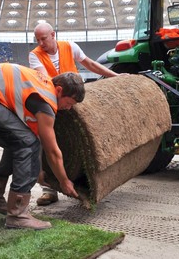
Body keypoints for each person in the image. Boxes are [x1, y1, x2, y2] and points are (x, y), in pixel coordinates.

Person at [0, 63, 84, 230]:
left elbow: (36, 137)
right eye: (69, 102)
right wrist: (64, 181)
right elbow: (52, 151)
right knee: (26, 143)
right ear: (58, 90)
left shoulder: (41, 86)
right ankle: (18, 215)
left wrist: (39, 170)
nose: (69, 108)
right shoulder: (46, 101)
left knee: (19, 140)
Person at [29, 22, 119, 207]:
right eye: (37, 40)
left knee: (83, 140)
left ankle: (87, 179)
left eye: (43, 38)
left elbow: (91, 64)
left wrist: (116, 77)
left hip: (71, 100)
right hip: (53, 102)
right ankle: (49, 189)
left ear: (53, 35)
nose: (40, 43)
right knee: (48, 143)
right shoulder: (34, 55)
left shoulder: (70, 47)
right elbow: (46, 80)